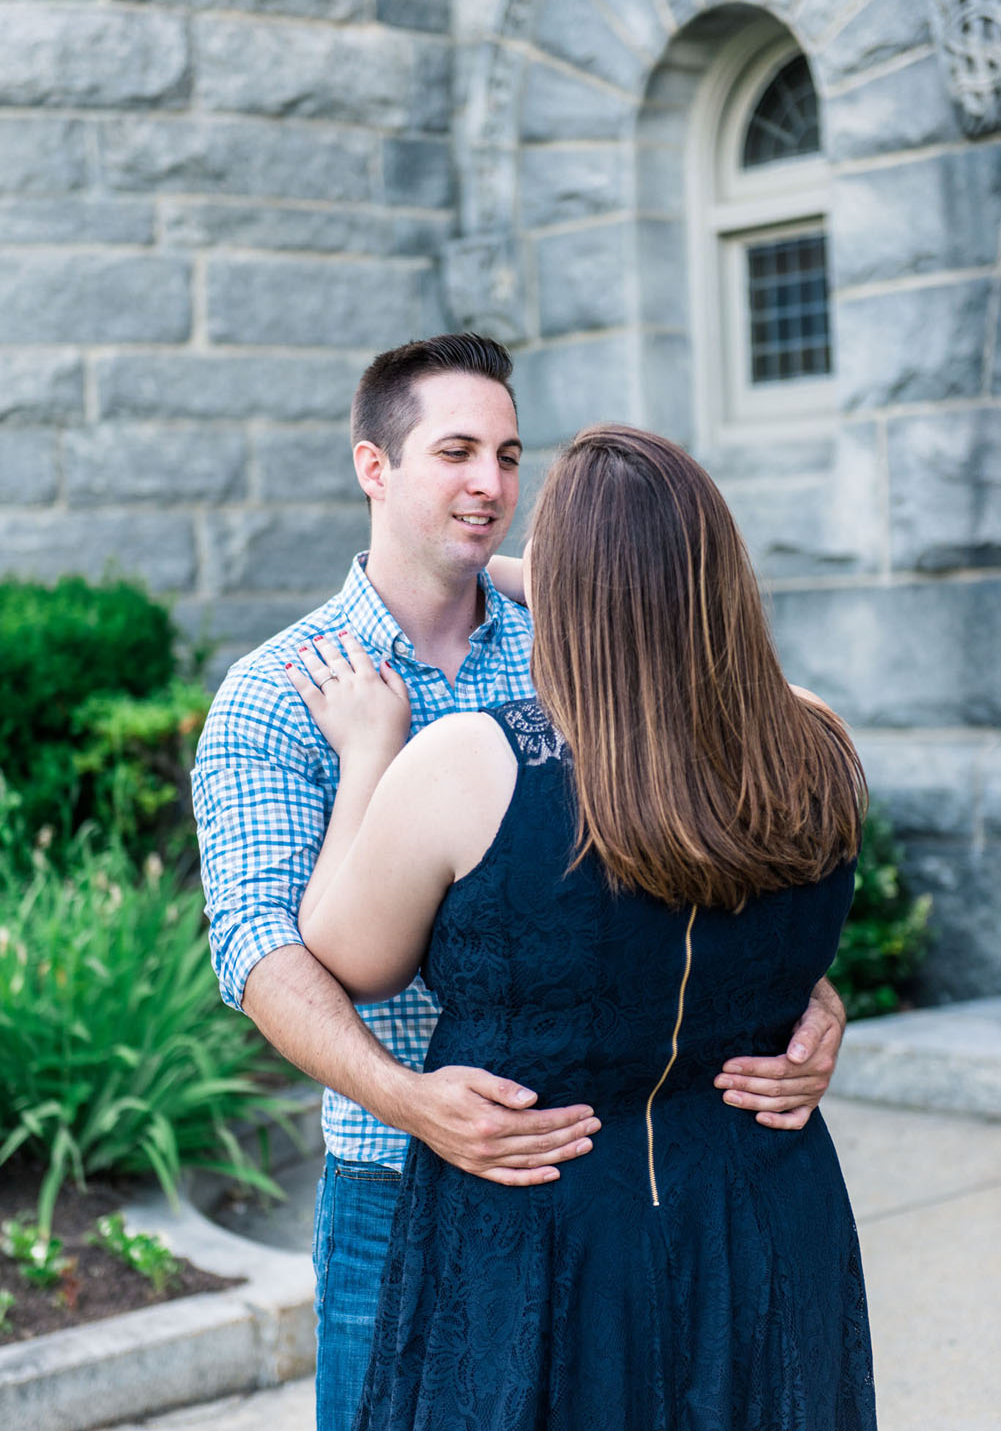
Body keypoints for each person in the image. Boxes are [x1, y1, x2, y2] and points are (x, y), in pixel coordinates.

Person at [192, 341, 849, 1431]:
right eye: (452, 452)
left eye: (506, 455)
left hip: (610, 1187)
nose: (488, 484)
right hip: (397, 1182)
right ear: (372, 466)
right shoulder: (281, 692)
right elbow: (263, 952)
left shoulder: (581, 643)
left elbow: (702, 824)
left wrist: (796, 995)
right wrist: (408, 1101)